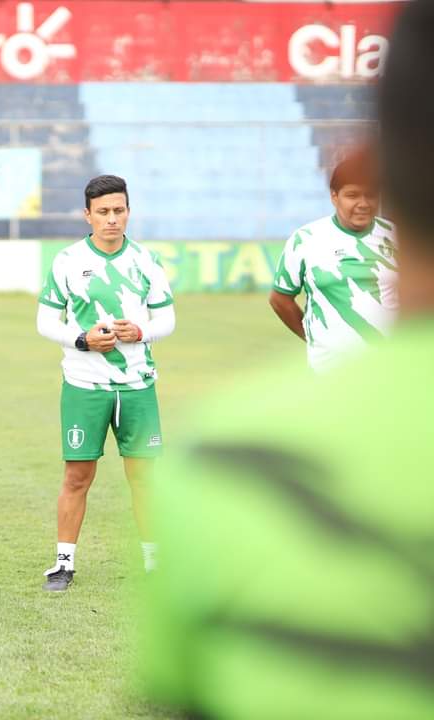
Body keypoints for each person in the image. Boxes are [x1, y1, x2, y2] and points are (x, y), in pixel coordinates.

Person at [144, 2, 434, 717]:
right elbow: (282, 298)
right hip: (339, 372)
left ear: (378, 164)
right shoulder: (308, 242)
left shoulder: (228, 459)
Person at [37, 175, 175, 591]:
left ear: (128, 211)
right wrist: (82, 339)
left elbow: (167, 318)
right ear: (88, 215)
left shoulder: (147, 261)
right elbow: (45, 321)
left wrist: (142, 331)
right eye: (103, 212)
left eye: (119, 211)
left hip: (136, 385)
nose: (112, 219)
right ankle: (63, 564)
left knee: (145, 477)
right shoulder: (67, 260)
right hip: (85, 385)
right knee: (77, 475)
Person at [269, 150, 398, 372]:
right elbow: (280, 299)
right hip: (329, 373)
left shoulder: (398, 236)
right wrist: (313, 338)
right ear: (334, 196)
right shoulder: (306, 239)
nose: (363, 203)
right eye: (353, 195)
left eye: (370, 195)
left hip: (389, 370)